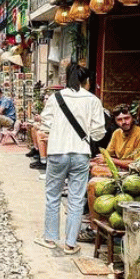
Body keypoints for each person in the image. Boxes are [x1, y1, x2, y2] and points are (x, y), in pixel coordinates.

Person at [35, 64, 106, 255]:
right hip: (81, 155)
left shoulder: (55, 98)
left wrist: (56, 132)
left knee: (53, 196)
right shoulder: (93, 100)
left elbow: (45, 123)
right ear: (87, 81)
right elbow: (99, 133)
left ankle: (50, 239)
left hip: (57, 152)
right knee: (75, 199)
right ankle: (70, 244)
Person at [93, 104, 140, 170]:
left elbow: (137, 164)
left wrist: (108, 159)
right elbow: (107, 154)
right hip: (120, 169)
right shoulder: (117, 133)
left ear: (133, 118)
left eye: (126, 118)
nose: (123, 122)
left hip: (135, 171)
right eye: (119, 119)